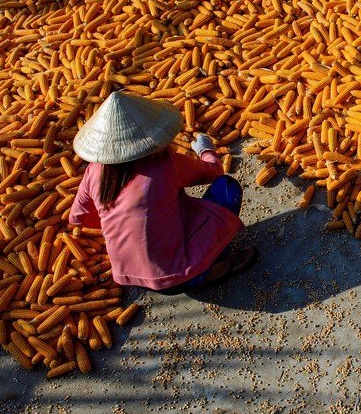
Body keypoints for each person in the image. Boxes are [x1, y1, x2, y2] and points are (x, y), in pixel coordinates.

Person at [69, 91, 257, 293]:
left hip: (130, 276)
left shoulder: (95, 171)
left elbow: (78, 218)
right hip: (178, 277)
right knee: (227, 188)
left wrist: (124, 223)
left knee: (174, 208)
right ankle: (212, 270)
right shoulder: (163, 164)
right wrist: (206, 150)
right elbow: (213, 172)